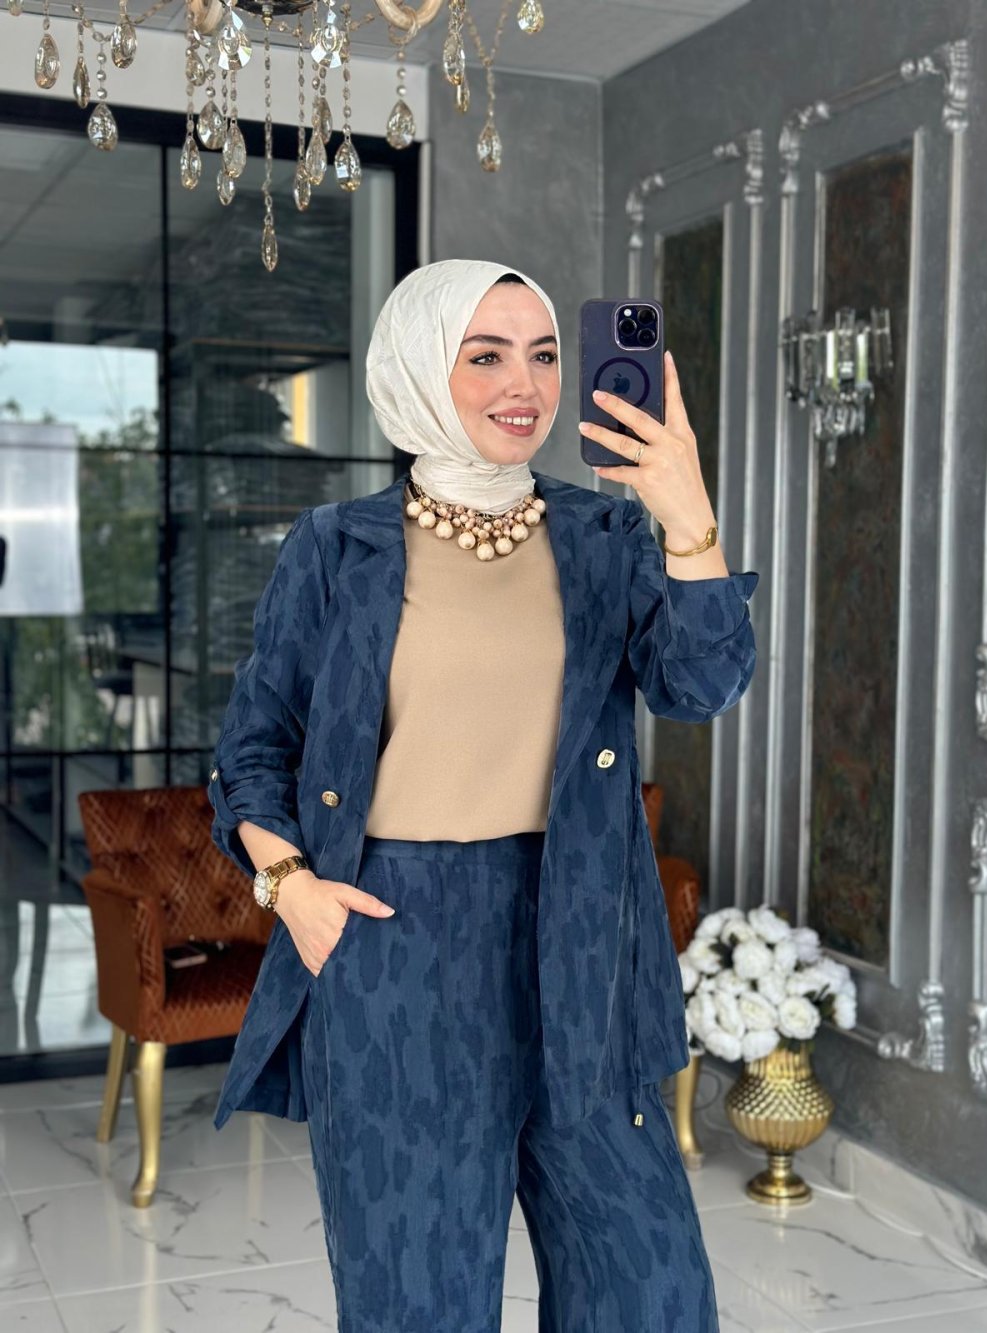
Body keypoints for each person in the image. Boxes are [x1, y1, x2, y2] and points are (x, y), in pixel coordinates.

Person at [206, 258, 759, 1332]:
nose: (527, 383)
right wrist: (290, 887)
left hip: (581, 934)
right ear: (420, 369)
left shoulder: (605, 537)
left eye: (545, 354)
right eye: (487, 354)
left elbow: (701, 684)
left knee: (647, 1291)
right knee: (420, 1297)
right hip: (394, 941)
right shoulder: (336, 549)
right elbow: (254, 746)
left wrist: (687, 516)